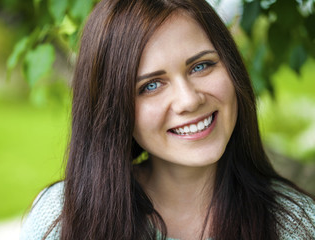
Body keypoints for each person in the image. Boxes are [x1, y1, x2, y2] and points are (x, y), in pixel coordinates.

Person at [20, 0, 315, 239]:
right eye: (151, 85)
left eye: (201, 66)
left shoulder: (297, 226)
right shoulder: (63, 218)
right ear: (112, 110)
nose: (189, 100)